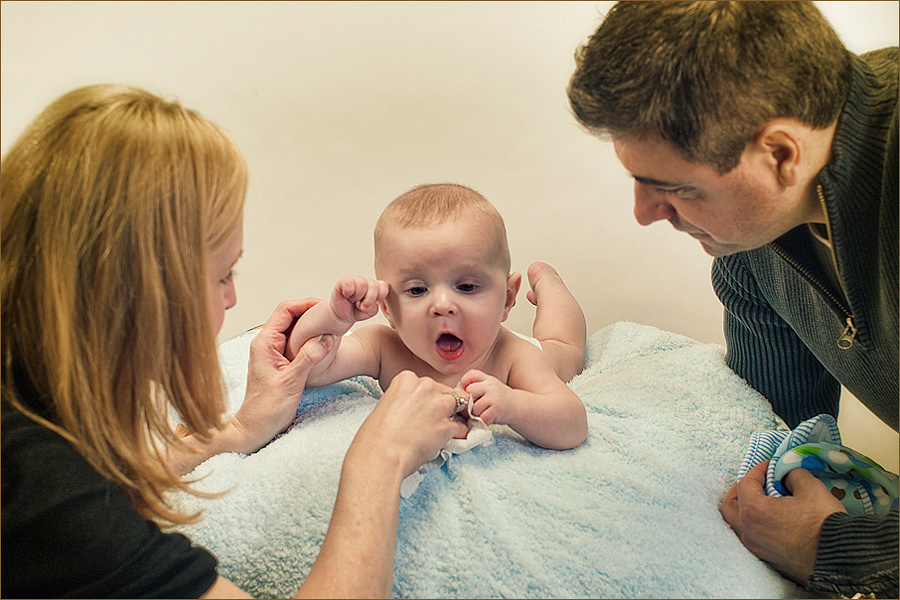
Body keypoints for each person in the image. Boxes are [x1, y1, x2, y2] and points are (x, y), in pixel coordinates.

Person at [1, 84, 470, 598]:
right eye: (224, 274)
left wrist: (237, 430)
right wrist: (381, 458)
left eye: (468, 286)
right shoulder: (41, 493)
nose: (231, 300)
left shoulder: (26, 408)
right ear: (145, 287)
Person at [566, 1, 897, 596]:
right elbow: (780, 430)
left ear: (781, 155)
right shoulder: (750, 248)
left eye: (674, 188)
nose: (644, 214)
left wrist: (840, 548)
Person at [285, 183, 588, 451]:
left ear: (507, 299)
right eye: (417, 290)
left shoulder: (514, 356)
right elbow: (307, 366)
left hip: (546, 354)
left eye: (466, 286)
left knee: (563, 345)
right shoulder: (384, 347)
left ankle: (548, 282)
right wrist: (334, 317)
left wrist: (513, 405)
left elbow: (573, 424)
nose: (442, 305)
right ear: (388, 309)